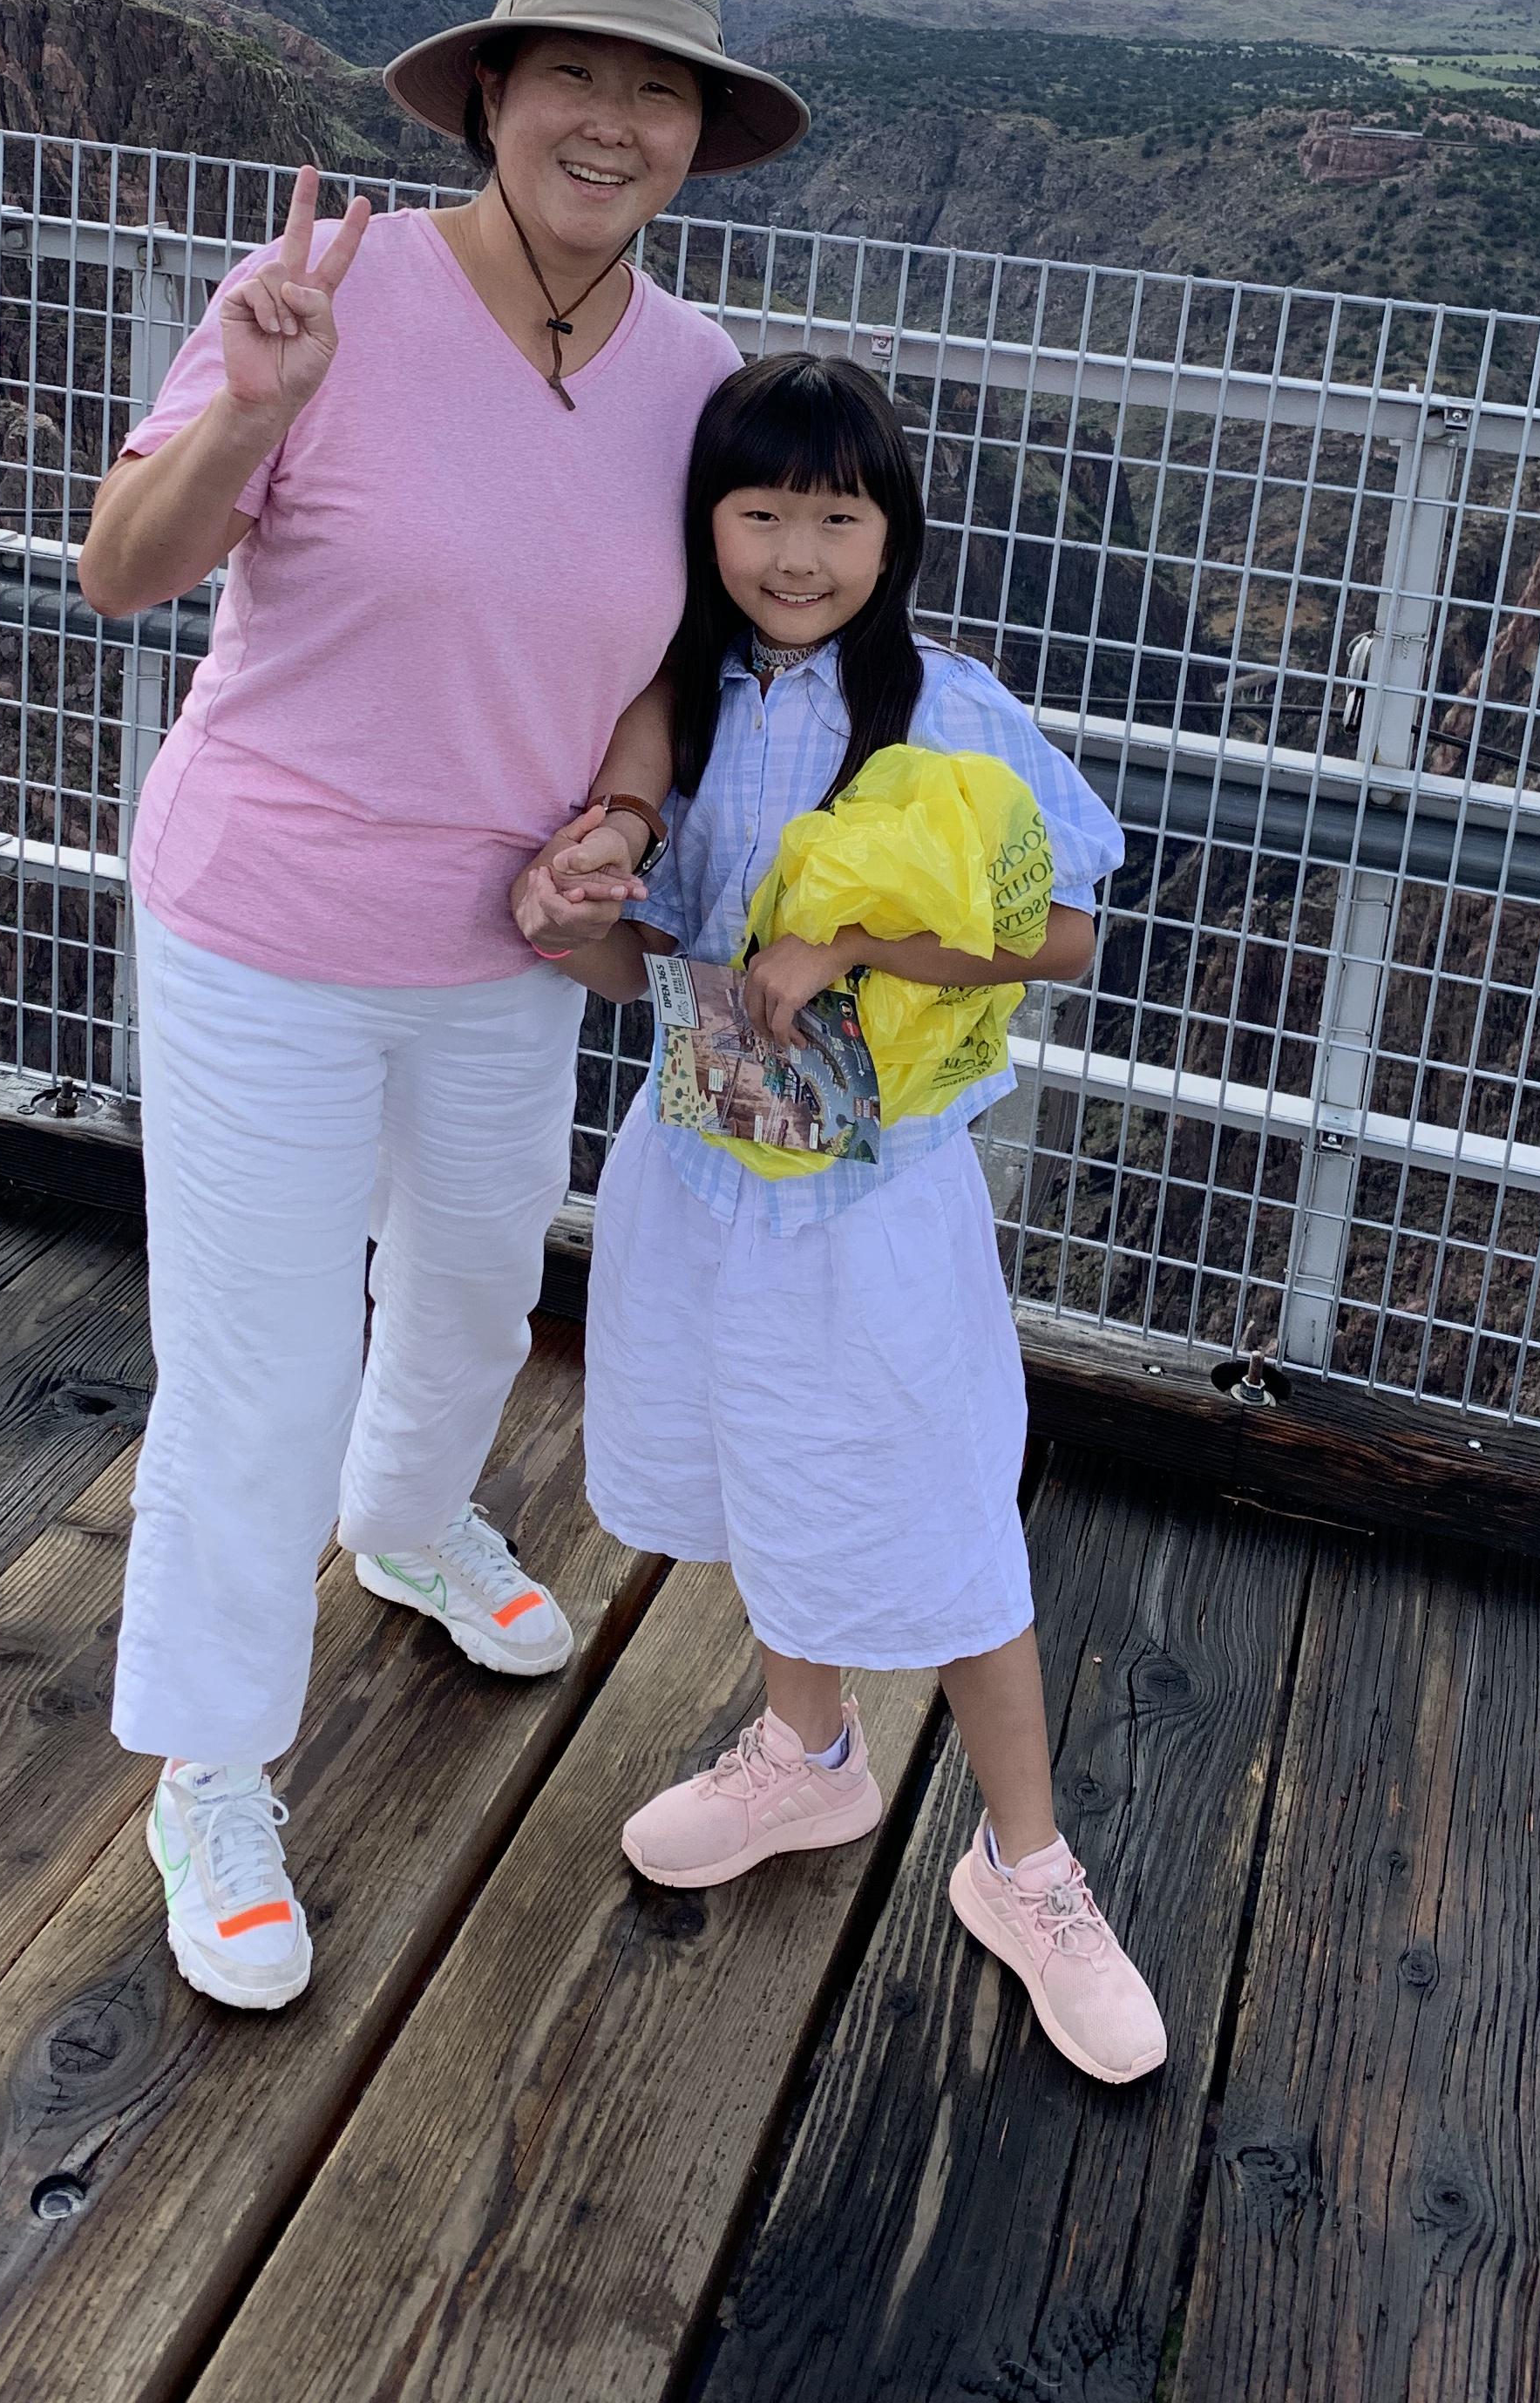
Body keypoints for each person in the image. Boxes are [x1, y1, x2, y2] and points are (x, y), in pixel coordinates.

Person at [76, 0, 808, 2012]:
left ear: (698, 136)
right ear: (490, 93)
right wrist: (248, 413)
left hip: (507, 942)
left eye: (657, 89)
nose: (612, 121)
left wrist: (629, 824)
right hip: (269, 925)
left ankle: (405, 1524)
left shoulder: (695, 381)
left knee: (481, 1281)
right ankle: (213, 1764)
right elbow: (123, 570)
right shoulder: (333, 293)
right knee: (262, 1358)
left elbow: (663, 667)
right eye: (574, 72)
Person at [518, 354, 1170, 2086]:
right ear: (707, 525)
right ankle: (808, 1758)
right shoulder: (685, 705)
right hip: (707, 1167)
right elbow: (646, 962)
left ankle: (1028, 1866)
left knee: (947, 1513)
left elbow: (1067, 931)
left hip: (879, 1201)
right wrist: (566, 918)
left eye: (836, 516)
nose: (796, 554)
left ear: (892, 534)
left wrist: (857, 944)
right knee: (773, 1462)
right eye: (760, 514)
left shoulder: (947, 705)